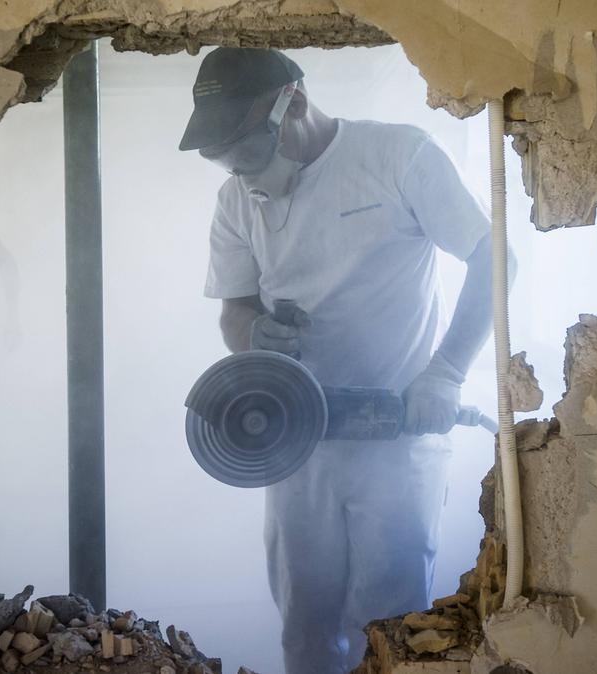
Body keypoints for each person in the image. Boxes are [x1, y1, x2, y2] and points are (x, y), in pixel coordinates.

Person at [179, 47, 512, 674]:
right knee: (304, 628)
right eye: (225, 161)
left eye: (248, 153)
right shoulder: (235, 201)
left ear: (295, 103)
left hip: (396, 435)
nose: (243, 175)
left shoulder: (397, 157)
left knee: (389, 625)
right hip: (294, 442)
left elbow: (495, 259)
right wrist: (256, 336)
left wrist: (444, 372)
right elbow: (234, 312)